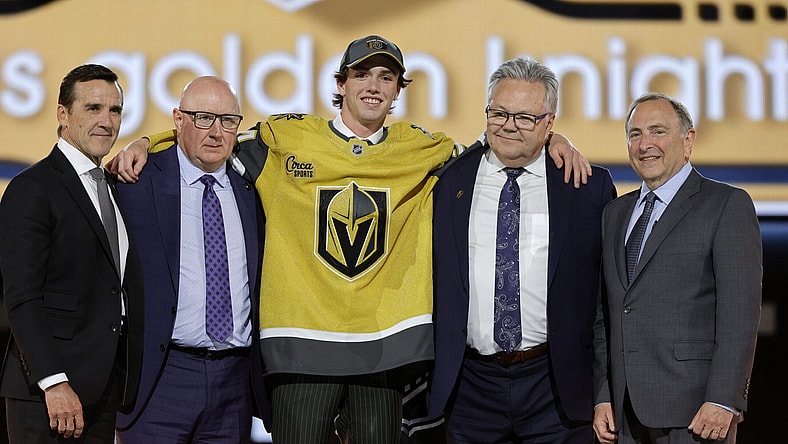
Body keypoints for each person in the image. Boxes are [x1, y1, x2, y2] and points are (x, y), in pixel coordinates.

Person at [108, 35, 589, 444]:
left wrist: (555, 140)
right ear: (341, 85)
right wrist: (146, 142)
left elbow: (506, 140)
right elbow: (210, 134)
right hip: (300, 348)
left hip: (384, 352)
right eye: (362, 75)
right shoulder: (285, 137)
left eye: (386, 77)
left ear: (398, 91)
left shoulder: (423, 149)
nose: (374, 86)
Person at [428, 56, 616, 443]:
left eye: (526, 117)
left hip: (557, 385)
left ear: (550, 123)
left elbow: (605, 302)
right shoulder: (447, 182)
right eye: (499, 113)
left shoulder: (586, 187)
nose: (510, 126)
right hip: (468, 387)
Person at [592, 93, 762, 444]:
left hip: (696, 415)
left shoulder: (726, 204)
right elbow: (605, 316)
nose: (645, 144)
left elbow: (740, 315)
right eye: (635, 134)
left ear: (688, 141)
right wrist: (604, 394)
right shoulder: (614, 214)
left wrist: (723, 400)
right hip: (624, 417)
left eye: (657, 131)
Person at [113, 76, 268, 442]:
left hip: (234, 381)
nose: (216, 132)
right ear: (178, 120)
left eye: (228, 120)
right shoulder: (136, 180)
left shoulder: (256, 189)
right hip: (161, 378)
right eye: (203, 118)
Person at [0, 64, 144, 443]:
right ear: (63, 115)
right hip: (48, 395)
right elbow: (22, 297)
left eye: (115, 110)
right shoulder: (32, 188)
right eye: (94, 108)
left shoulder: (112, 186)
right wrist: (53, 383)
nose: (107, 121)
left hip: (103, 392)